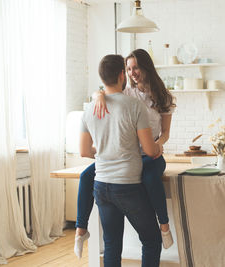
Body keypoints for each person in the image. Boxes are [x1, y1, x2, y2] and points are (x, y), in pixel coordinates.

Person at [75, 49, 175, 258]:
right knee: (86, 176)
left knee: (149, 177)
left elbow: (165, 133)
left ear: (146, 67)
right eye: (128, 69)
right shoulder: (127, 94)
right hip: (127, 155)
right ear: (123, 73)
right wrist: (98, 95)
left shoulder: (163, 96)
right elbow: (106, 88)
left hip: (150, 154)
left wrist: (158, 145)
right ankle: (80, 229)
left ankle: (164, 225)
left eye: (136, 67)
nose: (132, 73)